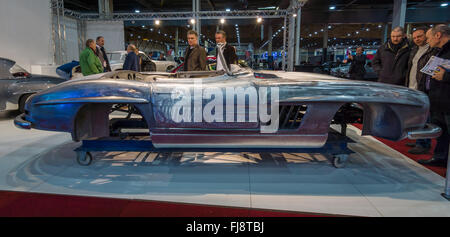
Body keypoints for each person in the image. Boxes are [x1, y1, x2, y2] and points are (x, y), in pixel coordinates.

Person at [417, 25, 450, 167]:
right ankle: (440, 157)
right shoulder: (439, 51)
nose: (427, 40)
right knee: (441, 132)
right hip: (438, 99)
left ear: (438, 35)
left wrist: (447, 76)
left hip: (447, 100)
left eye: (429, 37)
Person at [405, 27, 432, 154]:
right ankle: (418, 140)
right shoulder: (414, 50)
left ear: (426, 36)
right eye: (415, 37)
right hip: (412, 87)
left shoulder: (431, 50)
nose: (417, 39)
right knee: (415, 116)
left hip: (423, 89)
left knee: (425, 117)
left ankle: (424, 144)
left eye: (419, 36)